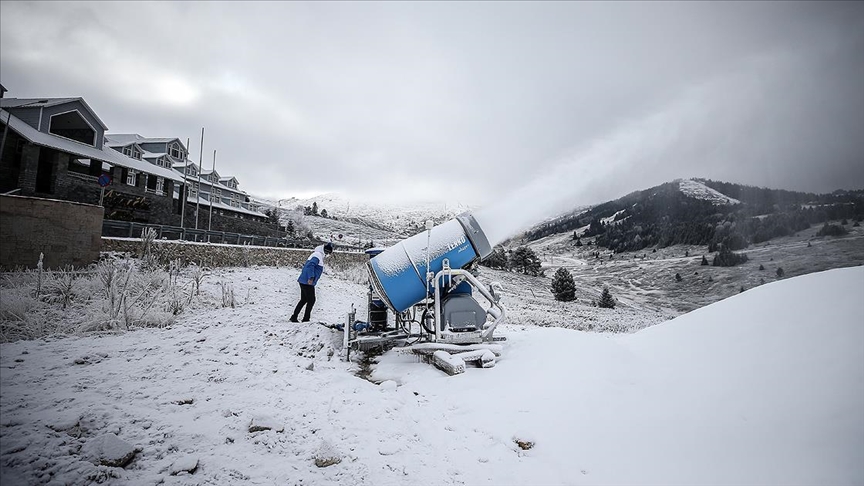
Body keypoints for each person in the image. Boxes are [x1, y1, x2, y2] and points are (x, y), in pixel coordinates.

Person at [290, 242, 333, 322]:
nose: (327, 254)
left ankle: (294, 317)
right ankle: (306, 319)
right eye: (327, 252)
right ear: (324, 250)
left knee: (304, 300)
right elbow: (310, 266)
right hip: (308, 282)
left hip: (304, 280)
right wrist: (311, 277)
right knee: (311, 300)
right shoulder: (317, 255)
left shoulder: (316, 254)